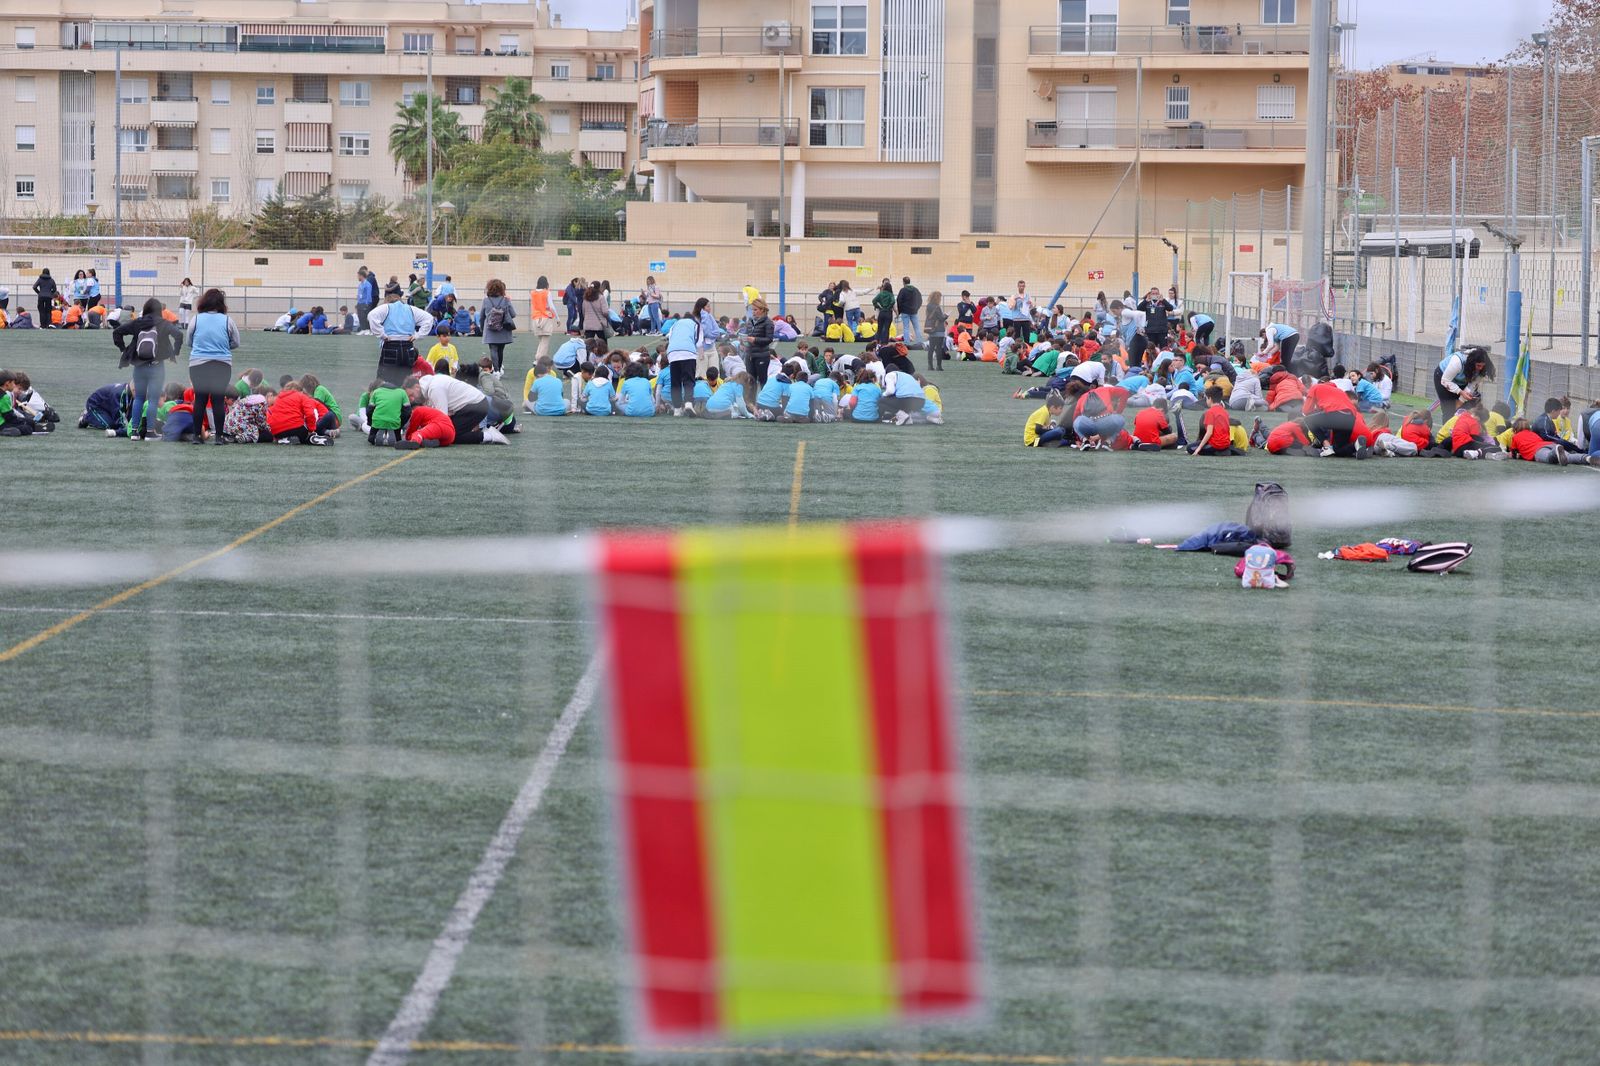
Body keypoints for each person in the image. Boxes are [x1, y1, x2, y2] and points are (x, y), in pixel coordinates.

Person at [112, 297, 186, 441]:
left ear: (145, 309)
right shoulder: (163, 323)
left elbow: (117, 332)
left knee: (139, 398)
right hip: (157, 367)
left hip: (139, 367)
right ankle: (150, 432)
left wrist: (123, 349)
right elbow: (179, 335)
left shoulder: (138, 323)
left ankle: (134, 432)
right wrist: (175, 351)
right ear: (159, 310)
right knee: (153, 399)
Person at [185, 288, 240, 445]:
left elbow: (189, 342)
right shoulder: (227, 320)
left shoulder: (196, 319)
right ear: (221, 304)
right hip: (221, 364)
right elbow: (236, 342)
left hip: (198, 364)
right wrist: (223, 347)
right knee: (217, 400)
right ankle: (219, 437)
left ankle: (196, 436)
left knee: (200, 399)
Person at [410, 370, 508, 445]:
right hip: (473, 404)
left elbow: (442, 419)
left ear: (416, 387)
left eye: (411, 395)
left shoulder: (434, 388)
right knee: (450, 432)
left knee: (451, 435)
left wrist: (423, 432)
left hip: (476, 405)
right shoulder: (431, 385)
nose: (412, 399)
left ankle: (489, 436)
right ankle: (482, 433)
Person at [369, 283, 435, 385]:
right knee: (405, 382)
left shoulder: (386, 308)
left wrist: (382, 335)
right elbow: (429, 319)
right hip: (408, 347)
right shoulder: (411, 309)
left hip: (391, 344)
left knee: (384, 381)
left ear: (388, 298)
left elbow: (372, 315)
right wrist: (418, 335)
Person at [1433, 346, 1494, 419]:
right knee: (1448, 411)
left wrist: (1460, 402)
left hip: (1460, 380)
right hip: (1443, 377)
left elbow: (1472, 386)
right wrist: (1460, 392)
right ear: (1472, 363)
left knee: (1463, 409)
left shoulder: (1482, 370)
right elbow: (1445, 380)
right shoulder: (1457, 362)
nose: (1480, 368)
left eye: (1482, 366)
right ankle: (1447, 429)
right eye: (1478, 365)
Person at [663, 309, 700, 416]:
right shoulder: (695, 324)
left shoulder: (675, 324)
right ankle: (688, 403)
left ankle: (677, 409)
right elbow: (698, 340)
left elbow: (668, 337)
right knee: (688, 379)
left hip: (673, 353)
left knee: (675, 382)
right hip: (688, 352)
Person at [476, 278, 517, 372]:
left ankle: (496, 371)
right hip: (503, 329)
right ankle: (498, 368)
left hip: (490, 329)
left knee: (493, 349)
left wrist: (482, 328)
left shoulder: (486, 301)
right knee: (500, 350)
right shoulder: (506, 300)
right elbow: (513, 314)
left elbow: (482, 317)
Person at [1189, 386, 1238, 456]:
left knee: (1190, 448)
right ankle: (1224, 451)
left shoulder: (1210, 412)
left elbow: (1209, 432)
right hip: (1226, 444)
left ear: (1210, 399)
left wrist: (1198, 449)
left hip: (1215, 445)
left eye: (1206, 398)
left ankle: (1217, 452)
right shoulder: (1224, 411)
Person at [895, 276, 924, 346]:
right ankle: (920, 341)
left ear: (903, 282)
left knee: (906, 327)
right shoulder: (916, 290)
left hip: (905, 312)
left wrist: (899, 310)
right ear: (909, 281)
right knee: (917, 327)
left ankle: (907, 343)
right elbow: (920, 300)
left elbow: (899, 300)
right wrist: (916, 308)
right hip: (914, 312)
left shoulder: (903, 290)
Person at [925, 291, 949, 372]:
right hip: (939, 330)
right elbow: (941, 318)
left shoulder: (928, 306)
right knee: (939, 348)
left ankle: (930, 366)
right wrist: (946, 316)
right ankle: (939, 366)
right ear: (937, 298)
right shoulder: (937, 307)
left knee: (931, 348)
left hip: (931, 330)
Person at [355, 268, 378, 333]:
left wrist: (367, 303)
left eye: (358, 276)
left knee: (366, 317)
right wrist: (358, 302)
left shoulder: (368, 284)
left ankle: (368, 330)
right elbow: (359, 294)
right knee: (361, 316)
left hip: (366, 303)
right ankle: (363, 329)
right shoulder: (360, 285)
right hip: (360, 303)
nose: (357, 277)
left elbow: (368, 295)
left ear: (361, 276)